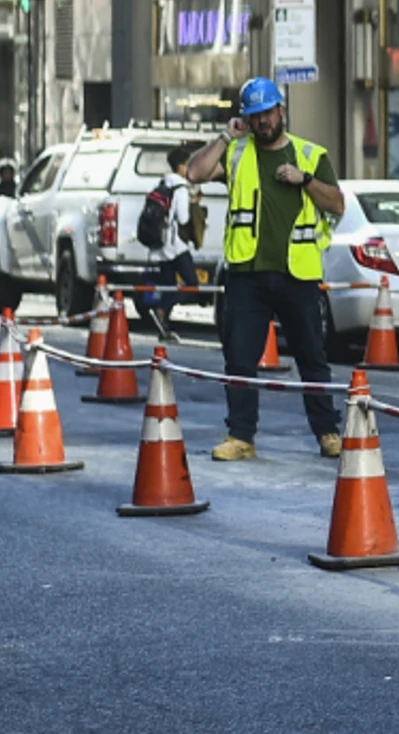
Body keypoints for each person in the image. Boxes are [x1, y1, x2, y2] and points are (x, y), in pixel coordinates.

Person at [181, 78, 347, 461]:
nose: (263, 122)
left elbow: (337, 204)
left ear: (281, 111)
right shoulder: (237, 153)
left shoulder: (310, 154)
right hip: (246, 273)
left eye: (268, 113)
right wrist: (225, 135)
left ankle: (327, 432)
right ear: (247, 119)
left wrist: (303, 180)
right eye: (255, 116)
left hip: (298, 274)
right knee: (239, 358)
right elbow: (195, 173)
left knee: (311, 357)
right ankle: (241, 436)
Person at [138, 142, 202, 340]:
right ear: (182, 166)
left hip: (160, 245)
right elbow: (183, 218)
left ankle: (163, 325)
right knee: (191, 284)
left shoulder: (162, 184)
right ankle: (162, 310)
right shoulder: (181, 188)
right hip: (176, 247)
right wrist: (195, 206)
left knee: (168, 286)